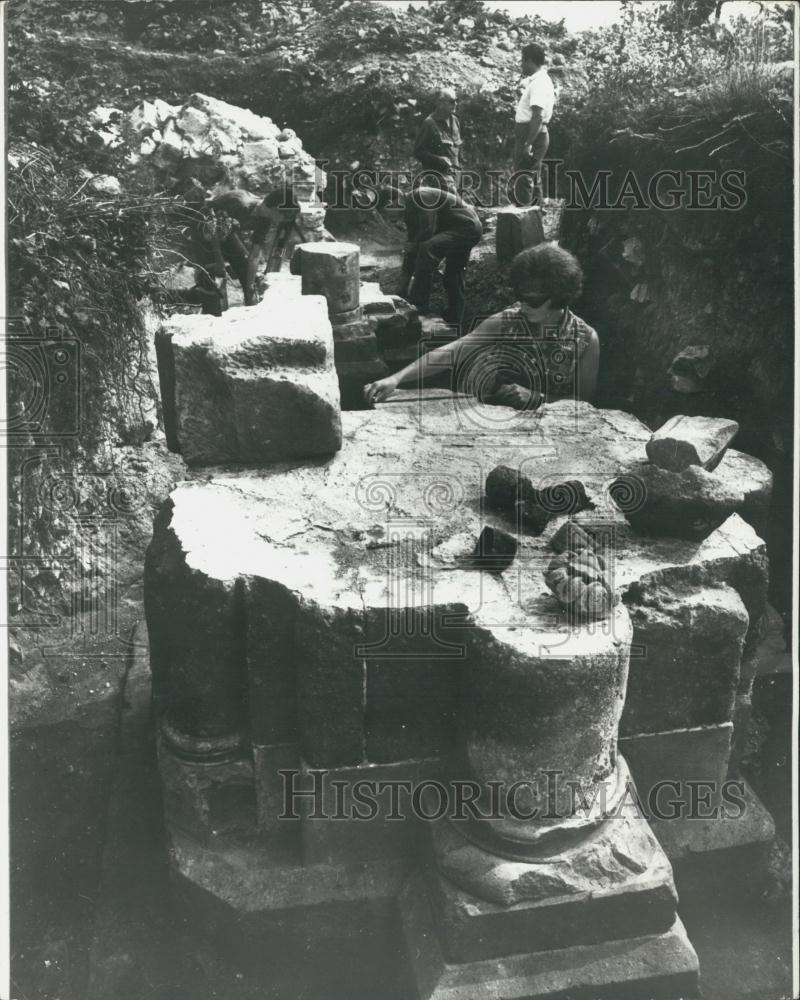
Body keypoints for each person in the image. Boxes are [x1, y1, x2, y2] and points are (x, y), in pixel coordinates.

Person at [363, 243, 599, 409]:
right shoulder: (508, 321)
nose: (524, 305)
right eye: (520, 296)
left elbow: (583, 401)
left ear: (559, 296)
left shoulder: (585, 339)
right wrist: (396, 379)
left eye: (534, 300)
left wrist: (538, 398)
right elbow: (452, 352)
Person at [376, 185, 482, 328]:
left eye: (386, 213)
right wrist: (400, 290)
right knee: (452, 275)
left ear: (394, 201)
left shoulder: (419, 197)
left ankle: (419, 305)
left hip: (467, 228)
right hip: (462, 229)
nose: (389, 219)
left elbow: (428, 229)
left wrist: (413, 246)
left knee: (427, 248)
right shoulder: (409, 212)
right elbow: (411, 251)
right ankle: (455, 319)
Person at [185, 184, 300, 312]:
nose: (283, 221)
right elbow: (213, 232)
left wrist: (250, 286)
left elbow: (254, 256)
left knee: (245, 269)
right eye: (284, 216)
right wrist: (219, 263)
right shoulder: (239, 205)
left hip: (225, 231)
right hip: (203, 229)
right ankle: (210, 310)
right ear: (275, 209)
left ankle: (250, 308)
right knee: (212, 276)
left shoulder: (265, 219)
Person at [510, 42, 555, 208]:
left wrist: (528, 144)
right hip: (531, 133)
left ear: (530, 61)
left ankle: (525, 220)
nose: (521, 64)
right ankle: (534, 219)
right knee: (532, 176)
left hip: (532, 134)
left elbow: (538, 116)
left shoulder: (539, 83)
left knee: (523, 178)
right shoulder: (537, 81)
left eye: (523, 61)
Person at [413, 88, 462, 192]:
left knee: (456, 205)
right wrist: (438, 159)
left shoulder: (455, 121)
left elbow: (456, 148)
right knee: (456, 206)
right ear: (440, 103)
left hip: (455, 177)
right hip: (437, 178)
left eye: (456, 101)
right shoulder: (429, 124)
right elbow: (418, 152)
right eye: (451, 102)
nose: (455, 104)